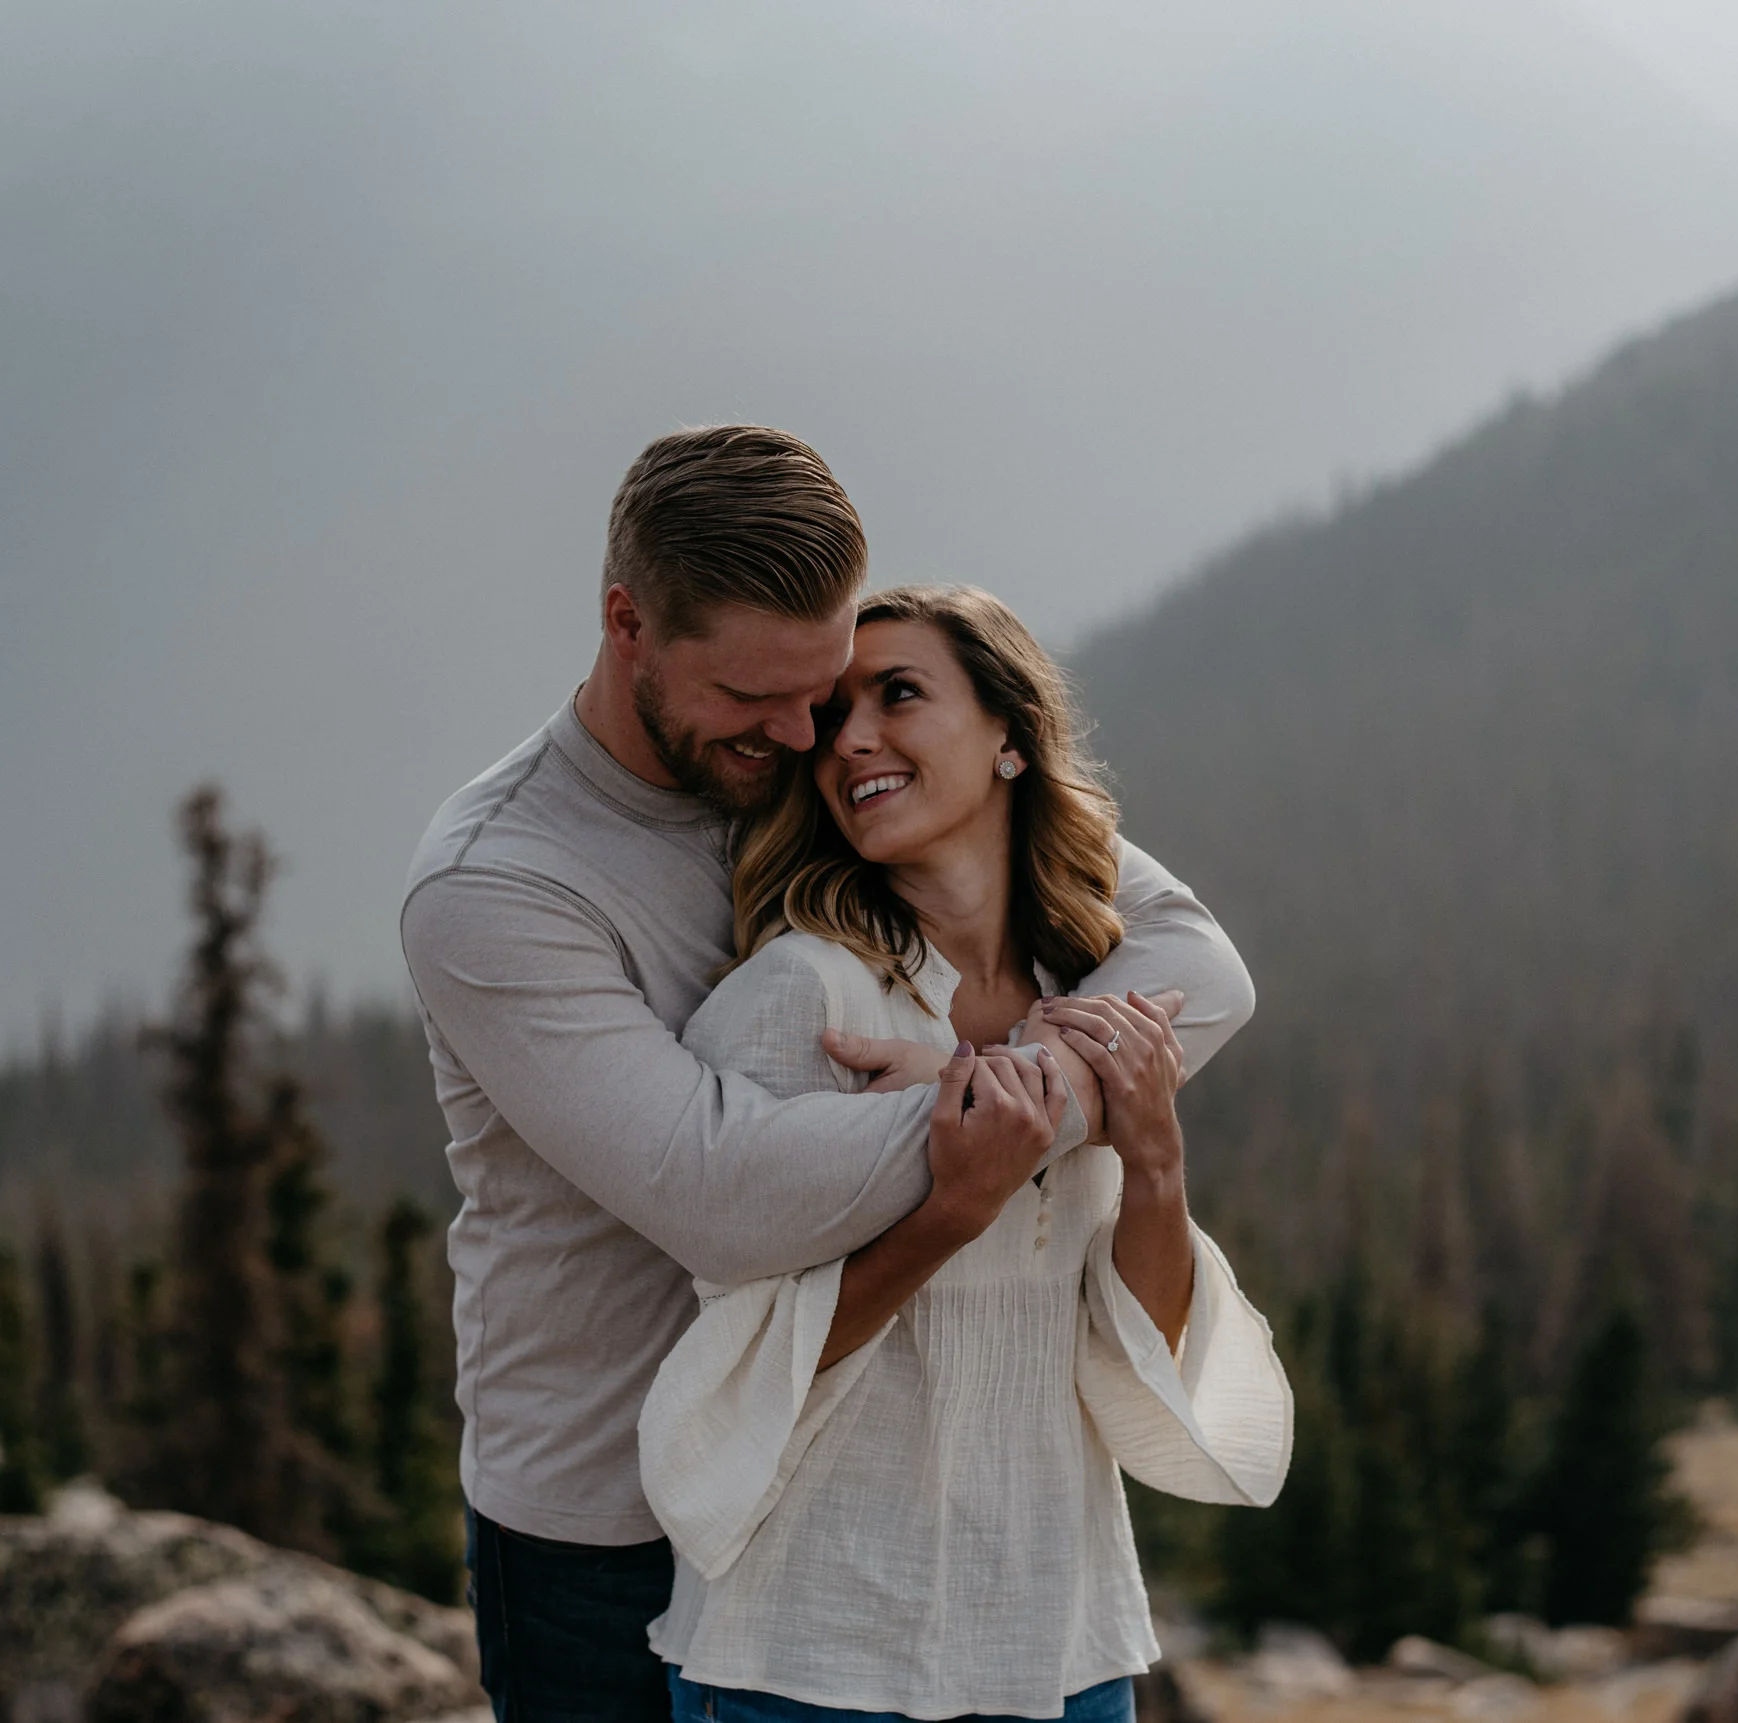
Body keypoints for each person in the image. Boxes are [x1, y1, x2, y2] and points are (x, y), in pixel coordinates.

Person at [400, 426, 1256, 1723]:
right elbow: (719, 1189)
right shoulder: (502, 883)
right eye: (760, 698)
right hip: (604, 1508)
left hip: (839, 1500)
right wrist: (980, 1112)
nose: (809, 730)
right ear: (628, 622)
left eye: (829, 680)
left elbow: (1193, 959)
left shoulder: (831, 755)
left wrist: (1031, 1089)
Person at [641, 584, 1292, 1723]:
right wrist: (950, 1207)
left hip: (1059, 1639)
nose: (850, 740)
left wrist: (1151, 1158)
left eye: (898, 693)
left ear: (1009, 736)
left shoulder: (1084, 1000)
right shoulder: (800, 999)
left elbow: (1126, 1340)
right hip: (812, 1652)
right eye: (835, 713)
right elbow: (746, 1373)